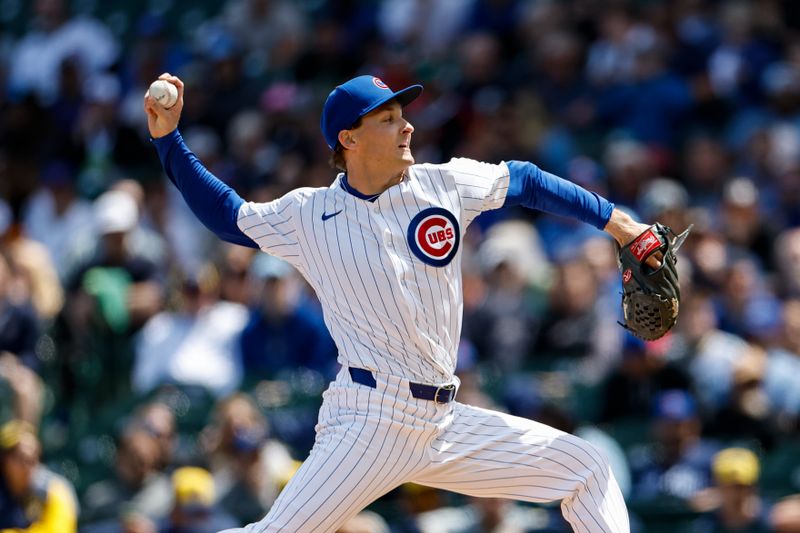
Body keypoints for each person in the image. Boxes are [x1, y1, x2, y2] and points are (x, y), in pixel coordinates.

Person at [144, 72, 662, 532]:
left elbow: (524, 179)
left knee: (587, 471)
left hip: (445, 419)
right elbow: (227, 216)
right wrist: (169, 141)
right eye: (388, 119)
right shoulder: (310, 214)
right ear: (348, 139)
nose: (407, 126)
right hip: (370, 418)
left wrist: (620, 224)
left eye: (403, 115)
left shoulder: (443, 185)